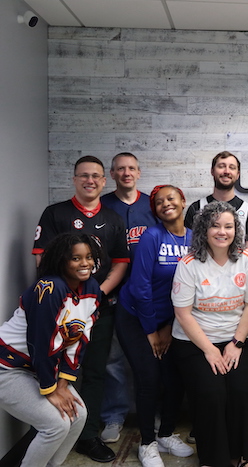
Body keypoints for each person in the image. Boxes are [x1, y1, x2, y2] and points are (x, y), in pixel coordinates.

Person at [33, 155, 129, 463]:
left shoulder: (114, 218)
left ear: (105, 181)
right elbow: (42, 261)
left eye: (96, 176)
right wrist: (71, 296)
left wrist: (95, 294)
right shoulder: (54, 214)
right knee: (58, 370)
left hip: (100, 309)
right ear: (74, 179)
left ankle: (87, 436)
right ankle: (57, 429)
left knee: (96, 371)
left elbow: (120, 263)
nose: (90, 180)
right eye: (84, 175)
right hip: (60, 312)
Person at [172, 201, 248, 467]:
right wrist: (210, 350)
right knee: (211, 395)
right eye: (215, 226)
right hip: (195, 342)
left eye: (228, 226)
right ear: (203, 229)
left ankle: (237, 456)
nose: (222, 232)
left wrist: (236, 344)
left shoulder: (247, 259)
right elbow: (183, 313)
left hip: (235, 339)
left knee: (241, 392)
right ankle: (213, 459)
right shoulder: (189, 263)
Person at [0, 233, 101, 466]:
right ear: (61, 260)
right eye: (75, 258)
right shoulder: (50, 287)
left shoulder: (92, 288)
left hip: (36, 368)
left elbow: (80, 338)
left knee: (78, 415)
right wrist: (50, 388)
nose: (84, 263)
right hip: (8, 368)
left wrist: (64, 382)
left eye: (88, 257)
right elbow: (41, 341)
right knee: (56, 424)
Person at [115, 185, 194, 467]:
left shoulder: (194, 239)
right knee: (149, 378)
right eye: (158, 202)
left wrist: (169, 327)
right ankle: (147, 443)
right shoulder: (151, 236)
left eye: (170, 198)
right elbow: (140, 287)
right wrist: (151, 331)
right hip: (136, 316)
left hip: (170, 320)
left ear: (183, 202)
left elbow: (191, 289)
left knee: (175, 379)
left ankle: (166, 434)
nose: (165, 204)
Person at [100, 152, 158, 444]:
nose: (126, 173)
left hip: (150, 297)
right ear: (112, 174)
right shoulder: (103, 204)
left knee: (153, 356)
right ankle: (114, 415)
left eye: (131, 168)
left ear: (139, 172)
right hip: (114, 293)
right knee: (113, 358)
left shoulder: (152, 205)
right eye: (120, 169)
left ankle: (156, 414)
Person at [184, 151, 248, 251]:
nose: (227, 171)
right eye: (221, 166)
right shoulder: (196, 208)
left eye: (232, 167)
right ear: (212, 171)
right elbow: (187, 245)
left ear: (238, 174)